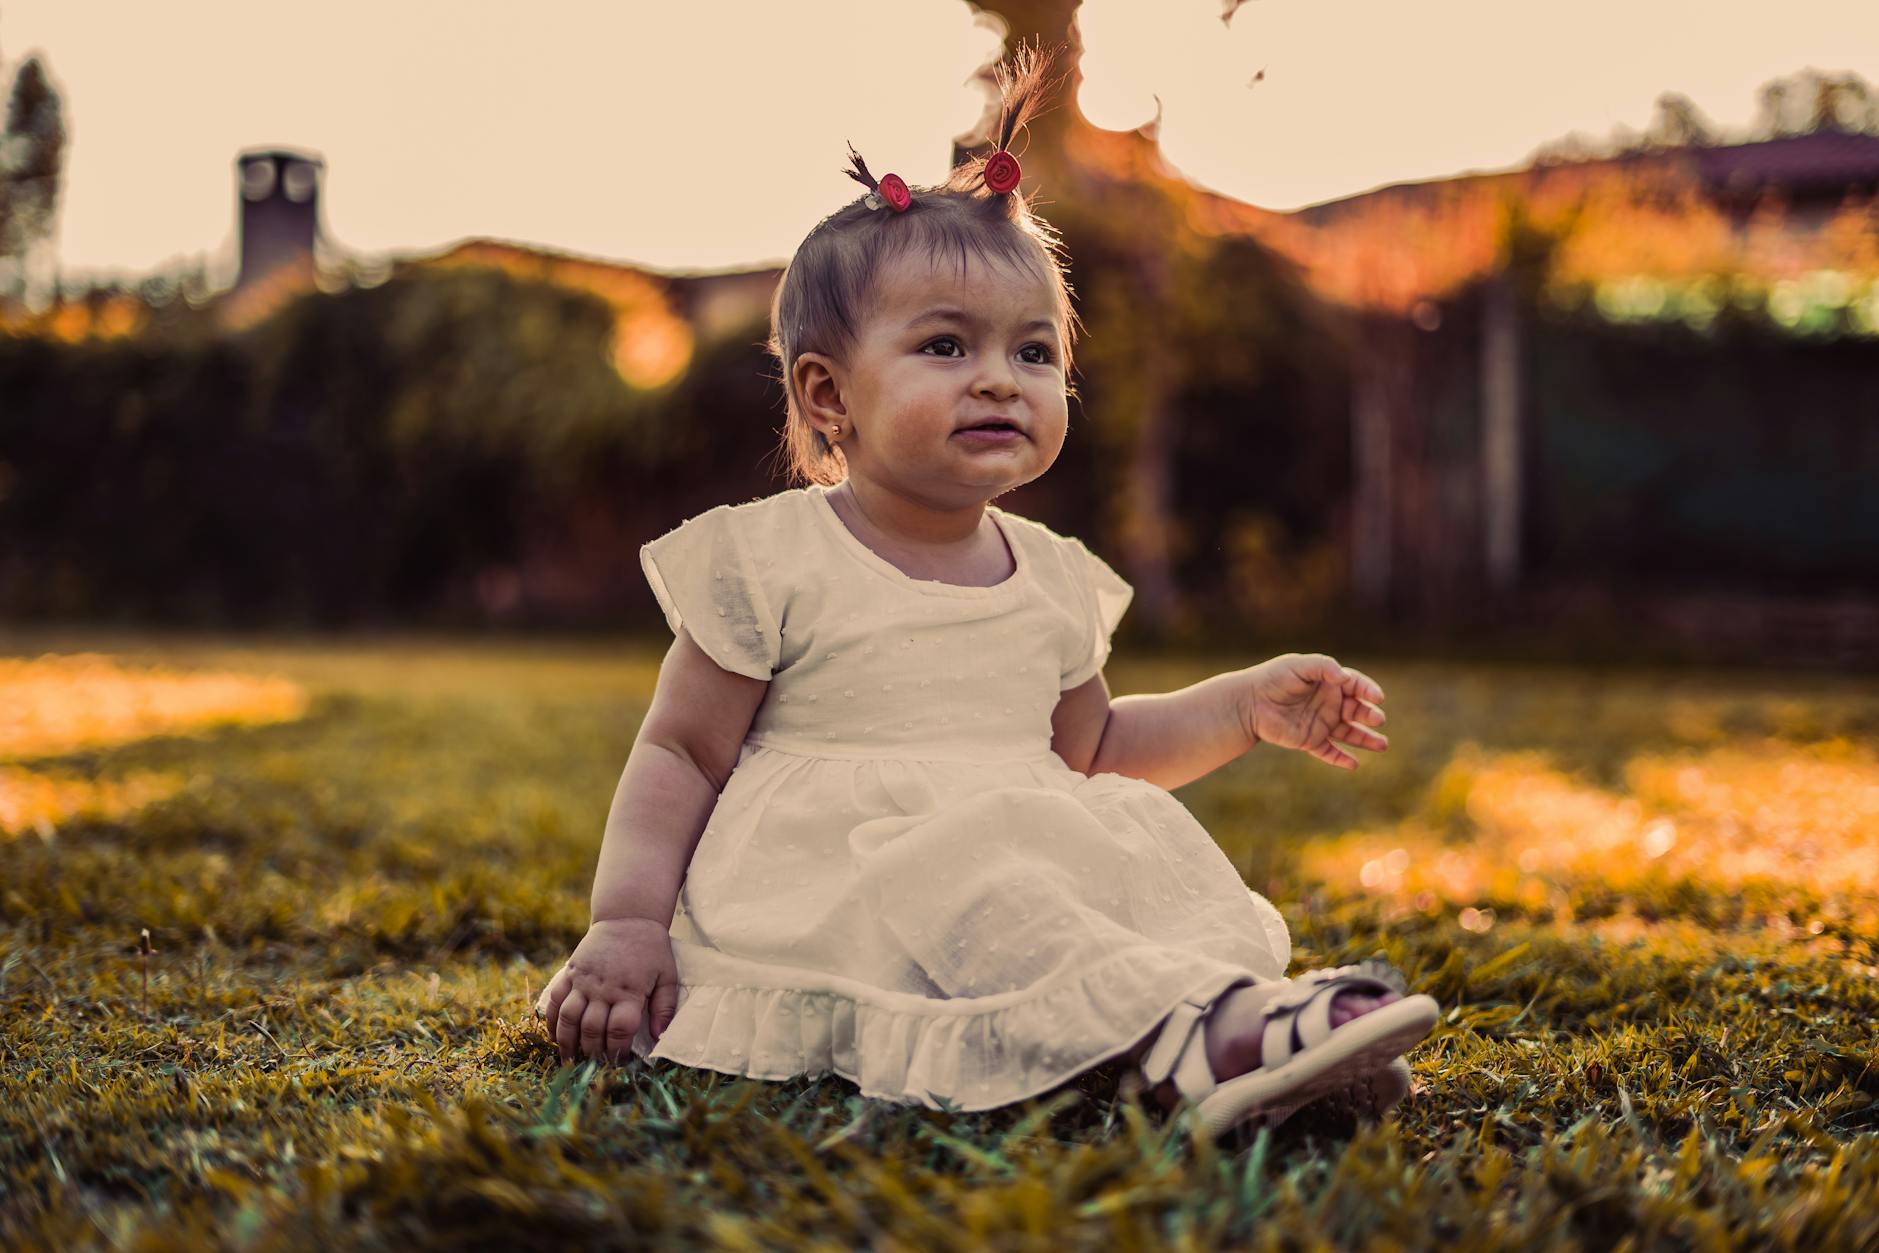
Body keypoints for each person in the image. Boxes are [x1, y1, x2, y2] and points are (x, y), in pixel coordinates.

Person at [536, 40, 1437, 1140]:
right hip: (842, 890)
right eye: (946, 345)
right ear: (827, 394)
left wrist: (1240, 706)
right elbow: (679, 751)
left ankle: (1222, 1026)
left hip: (1003, 865)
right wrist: (628, 920)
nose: (1000, 377)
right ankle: (1214, 1034)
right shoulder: (771, 560)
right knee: (983, 862)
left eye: (1034, 352)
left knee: (1114, 843)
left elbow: (1092, 748)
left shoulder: (1052, 577)